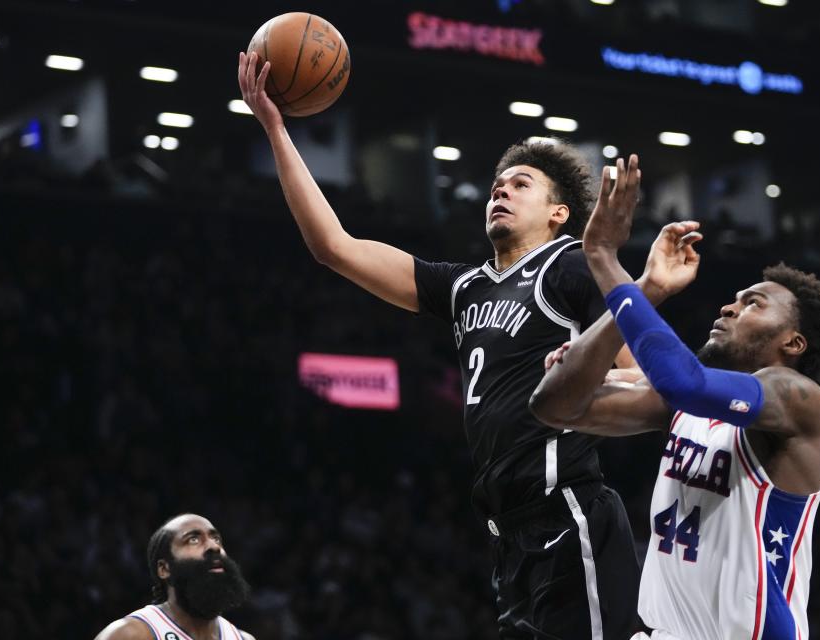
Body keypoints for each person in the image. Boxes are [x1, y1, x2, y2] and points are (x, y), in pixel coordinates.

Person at [238, 51, 642, 638]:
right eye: (496, 186)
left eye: (520, 185)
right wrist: (275, 126)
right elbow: (334, 246)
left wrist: (591, 376)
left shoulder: (573, 267)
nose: (500, 192)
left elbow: (646, 374)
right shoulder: (463, 287)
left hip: (570, 511)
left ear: (559, 213)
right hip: (507, 533)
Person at [530, 155, 820, 640]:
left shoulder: (799, 399)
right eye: (735, 298)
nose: (728, 306)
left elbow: (686, 382)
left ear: (793, 343)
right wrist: (641, 296)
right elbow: (553, 407)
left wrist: (605, 261)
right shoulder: (683, 407)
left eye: (752, 303)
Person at [94, 513, 254, 640]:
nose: (213, 546)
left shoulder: (242, 638)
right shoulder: (132, 634)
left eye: (216, 538)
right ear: (164, 568)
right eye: (193, 540)